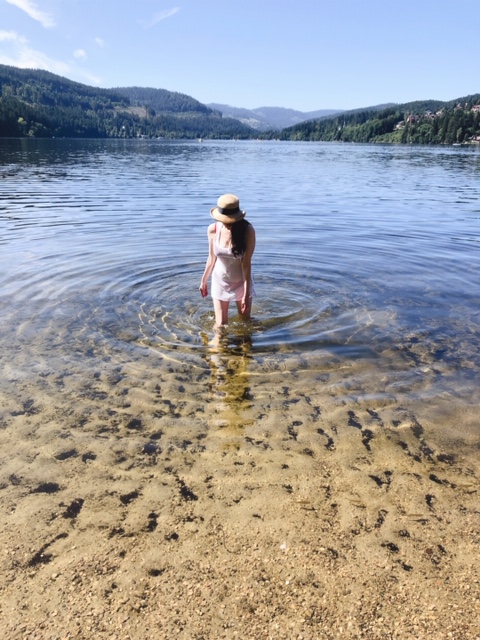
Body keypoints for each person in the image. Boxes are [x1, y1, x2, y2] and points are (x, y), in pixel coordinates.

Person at [199, 194, 256, 329]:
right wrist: (203, 280)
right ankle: (216, 343)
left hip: (242, 282)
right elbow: (211, 257)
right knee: (220, 326)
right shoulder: (213, 229)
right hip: (220, 281)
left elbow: (246, 264)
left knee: (245, 322)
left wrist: (246, 294)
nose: (226, 223)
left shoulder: (247, 231)